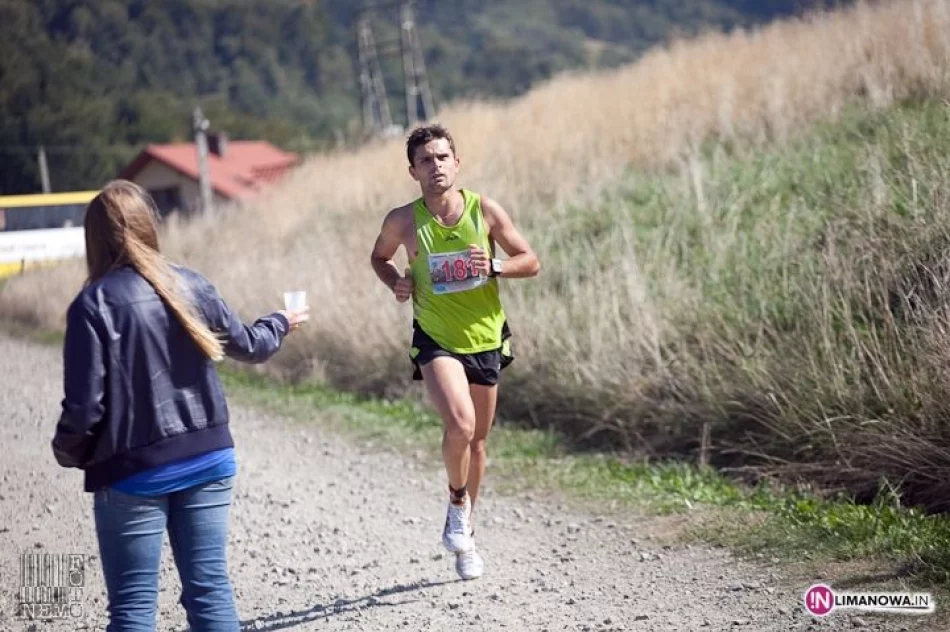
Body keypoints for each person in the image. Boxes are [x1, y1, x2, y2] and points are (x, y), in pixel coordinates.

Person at [51, 180, 309, 631]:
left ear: (94, 237)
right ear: (149, 226)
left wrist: (69, 452)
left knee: (133, 609)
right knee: (210, 592)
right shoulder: (190, 283)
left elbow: (84, 410)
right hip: (209, 459)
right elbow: (249, 344)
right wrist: (280, 323)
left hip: (131, 472)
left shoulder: (91, 306)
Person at [370, 124, 540, 580]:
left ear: (457, 163)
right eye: (426, 160)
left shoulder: (483, 210)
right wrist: (396, 282)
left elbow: (531, 260)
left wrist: (497, 265)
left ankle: (464, 526)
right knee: (461, 424)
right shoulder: (402, 221)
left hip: (486, 337)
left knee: (479, 442)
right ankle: (456, 499)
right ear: (413, 171)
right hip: (436, 338)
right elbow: (379, 258)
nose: (436, 166)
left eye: (443, 157)